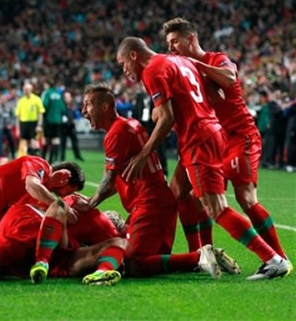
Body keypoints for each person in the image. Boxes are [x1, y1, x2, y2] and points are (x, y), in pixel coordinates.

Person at [116, 36, 289, 280]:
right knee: (177, 191)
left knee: (216, 208)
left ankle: (273, 259)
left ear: (134, 55)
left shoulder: (152, 70)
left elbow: (166, 118)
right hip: (208, 132)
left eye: (123, 63)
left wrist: (146, 153)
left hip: (199, 139)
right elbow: (215, 95)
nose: (124, 70)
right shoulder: (180, 62)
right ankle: (201, 252)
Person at [162, 17, 290, 272]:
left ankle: (279, 258)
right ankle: (204, 253)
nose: (171, 47)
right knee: (181, 191)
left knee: (245, 199)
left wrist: (194, 64)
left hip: (239, 135)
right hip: (212, 139)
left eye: (175, 41)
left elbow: (230, 79)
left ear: (191, 38)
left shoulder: (215, 58)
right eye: (168, 43)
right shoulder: (185, 69)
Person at [79, 84, 240, 280]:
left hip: (149, 205)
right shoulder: (129, 125)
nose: (83, 111)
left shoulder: (116, 133)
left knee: (134, 263)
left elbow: (109, 180)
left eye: (87, 105)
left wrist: (89, 204)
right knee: (152, 260)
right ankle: (205, 256)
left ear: (104, 107)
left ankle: (198, 257)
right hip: (160, 203)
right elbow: (118, 181)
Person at [0, 157, 84, 253]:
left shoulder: (40, 190)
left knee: (17, 252)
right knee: (2, 258)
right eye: (69, 191)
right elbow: (32, 185)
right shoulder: (39, 164)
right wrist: (61, 206)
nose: (63, 196)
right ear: (64, 178)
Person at [15, 83, 45, 157]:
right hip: (23, 123)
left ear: (31, 90)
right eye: (24, 89)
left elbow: (40, 113)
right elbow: (18, 115)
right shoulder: (21, 101)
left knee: (34, 141)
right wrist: (18, 128)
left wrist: (39, 125)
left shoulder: (37, 99)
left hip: (33, 123)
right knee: (25, 141)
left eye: (27, 89)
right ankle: (29, 157)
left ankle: (37, 156)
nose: (26, 91)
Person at [41, 80, 66, 163]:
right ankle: (53, 159)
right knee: (56, 140)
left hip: (49, 120)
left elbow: (44, 105)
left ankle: (43, 159)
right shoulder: (58, 94)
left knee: (46, 139)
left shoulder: (47, 93)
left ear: (48, 85)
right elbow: (63, 108)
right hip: (58, 120)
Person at [60, 92, 84, 162]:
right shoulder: (62, 106)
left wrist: (77, 120)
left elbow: (77, 115)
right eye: (66, 97)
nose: (67, 98)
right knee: (63, 143)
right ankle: (62, 157)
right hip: (63, 127)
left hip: (72, 127)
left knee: (75, 142)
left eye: (68, 97)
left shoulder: (73, 106)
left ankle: (78, 156)